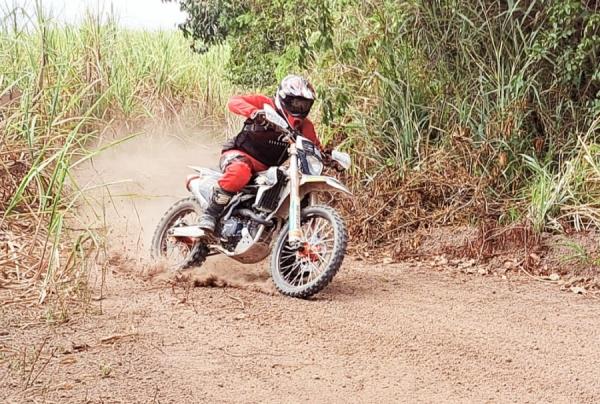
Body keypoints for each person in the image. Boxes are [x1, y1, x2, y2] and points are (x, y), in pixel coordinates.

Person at [198, 74, 322, 232]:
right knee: (240, 172)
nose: (299, 108)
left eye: (304, 105)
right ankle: (210, 214)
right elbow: (234, 102)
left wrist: (328, 156)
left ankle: (284, 241)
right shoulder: (265, 104)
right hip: (239, 155)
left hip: (267, 171)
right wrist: (254, 113)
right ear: (284, 98)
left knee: (289, 185)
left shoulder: (304, 126)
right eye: (296, 102)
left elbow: (315, 146)